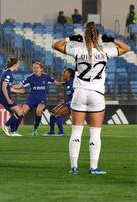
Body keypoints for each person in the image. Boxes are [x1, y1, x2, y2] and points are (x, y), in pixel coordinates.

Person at [52, 21, 130, 174]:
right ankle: (93, 167)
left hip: (79, 93)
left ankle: (74, 167)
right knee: (95, 132)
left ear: (84, 35)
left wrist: (70, 38)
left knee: (76, 131)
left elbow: (55, 45)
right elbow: (126, 48)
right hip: (96, 94)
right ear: (98, 36)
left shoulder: (78, 50)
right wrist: (112, 40)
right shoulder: (105, 52)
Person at [13, 61, 64, 136]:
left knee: (39, 111)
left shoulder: (46, 77)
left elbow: (58, 84)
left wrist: (68, 82)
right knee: (22, 112)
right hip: (31, 99)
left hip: (41, 99)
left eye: (37, 68)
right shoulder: (29, 78)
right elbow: (20, 85)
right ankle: (14, 131)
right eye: (34, 68)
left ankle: (35, 129)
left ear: (41, 69)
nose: (35, 69)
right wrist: (10, 86)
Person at [0, 57, 25, 137]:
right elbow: (3, 87)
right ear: (15, 65)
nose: (18, 66)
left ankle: (13, 132)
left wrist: (18, 91)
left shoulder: (8, 73)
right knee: (20, 112)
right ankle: (6, 126)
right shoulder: (8, 74)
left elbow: (8, 88)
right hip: (4, 97)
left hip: (4, 97)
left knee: (17, 114)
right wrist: (8, 99)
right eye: (18, 65)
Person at [45, 68, 74, 136]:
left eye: (65, 72)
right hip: (67, 102)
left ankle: (61, 132)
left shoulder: (74, 82)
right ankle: (51, 132)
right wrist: (50, 79)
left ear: (69, 74)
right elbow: (59, 84)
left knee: (58, 113)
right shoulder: (67, 82)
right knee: (52, 112)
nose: (63, 73)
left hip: (73, 103)